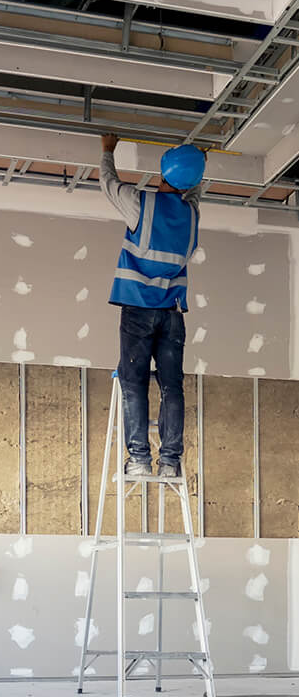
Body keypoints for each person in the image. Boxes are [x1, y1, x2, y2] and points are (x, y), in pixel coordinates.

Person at [100, 134, 206, 478]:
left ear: (163, 171)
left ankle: (140, 460)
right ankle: (170, 462)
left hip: (138, 310)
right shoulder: (191, 215)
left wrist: (107, 150)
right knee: (172, 387)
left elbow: (108, 184)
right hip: (172, 314)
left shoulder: (141, 205)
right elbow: (193, 189)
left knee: (134, 383)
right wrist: (197, 164)